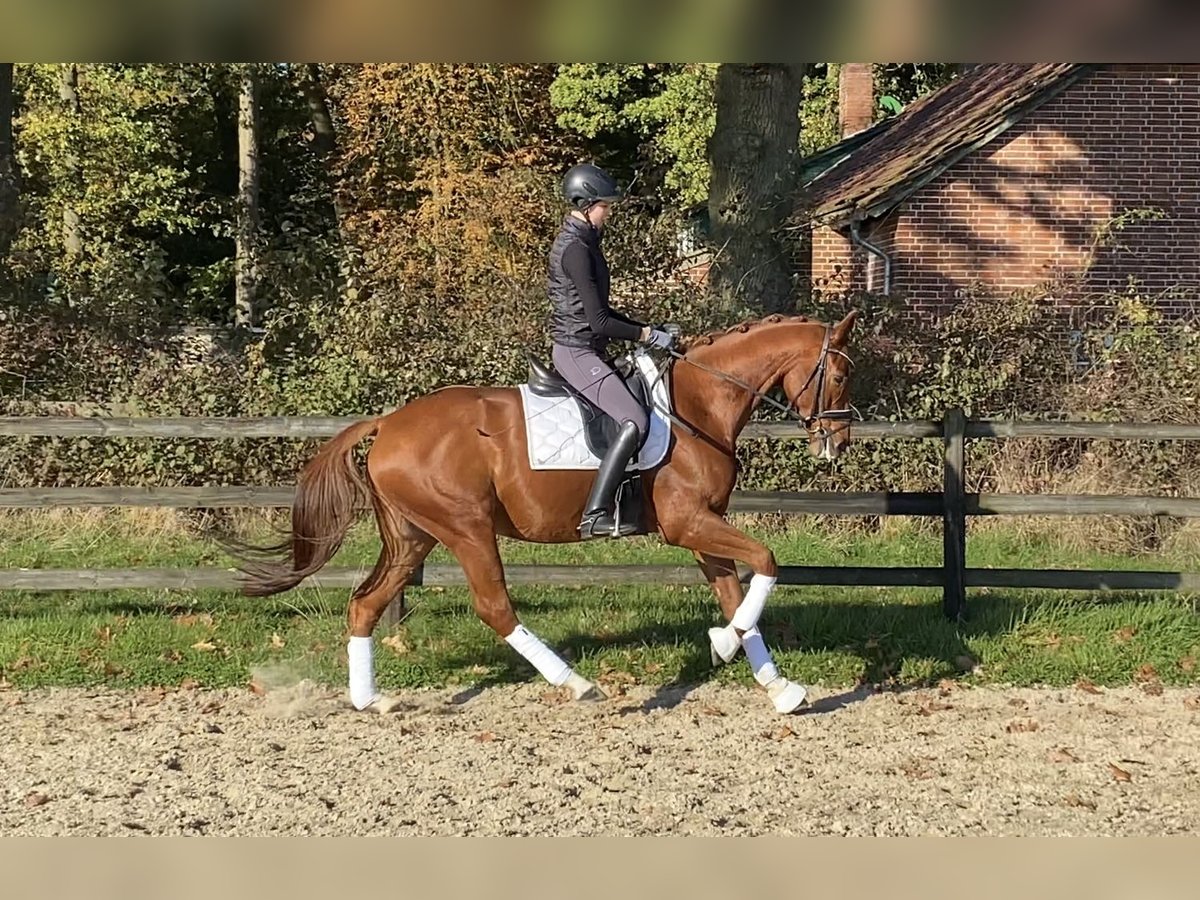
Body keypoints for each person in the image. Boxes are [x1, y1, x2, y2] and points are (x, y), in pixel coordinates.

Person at [548, 163, 676, 540]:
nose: (609, 212)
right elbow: (600, 322)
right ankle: (596, 513)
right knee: (634, 419)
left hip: (588, 346)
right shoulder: (575, 249)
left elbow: (602, 312)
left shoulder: (585, 241)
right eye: (605, 205)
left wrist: (648, 328)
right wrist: (648, 335)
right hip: (576, 351)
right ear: (586, 204)